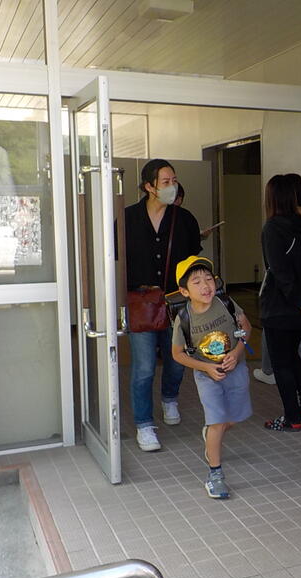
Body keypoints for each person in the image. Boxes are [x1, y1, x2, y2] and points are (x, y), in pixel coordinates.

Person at [125, 159, 202, 451]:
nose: (173, 186)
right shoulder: (127, 218)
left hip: (178, 303)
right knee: (144, 367)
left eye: (174, 181)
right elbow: (117, 261)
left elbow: (193, 264)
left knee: (176, 361)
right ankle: (144, 425)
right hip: (141, 303)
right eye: (166, 182)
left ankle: (170, 398)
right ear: (149, 186)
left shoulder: (185, 219)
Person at [171, 256, 252, 499]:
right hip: (207, 376)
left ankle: (211, 434)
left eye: (209, 279)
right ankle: (215, 474)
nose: (205, 286)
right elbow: (177, 354)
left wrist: (236, 353)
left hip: (236, 369)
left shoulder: (226, 303)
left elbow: (246, 328)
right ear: (184, 291)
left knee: (234, 418)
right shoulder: (184, 318)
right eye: (196, 282)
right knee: (217, 421)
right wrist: (205, 368)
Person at [260, 174, 301, 432]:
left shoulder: (273, 227)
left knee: (281, 363)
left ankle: (291, 418)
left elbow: (279, 271)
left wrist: (300, 300)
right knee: (292, 356)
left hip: (280, 307)